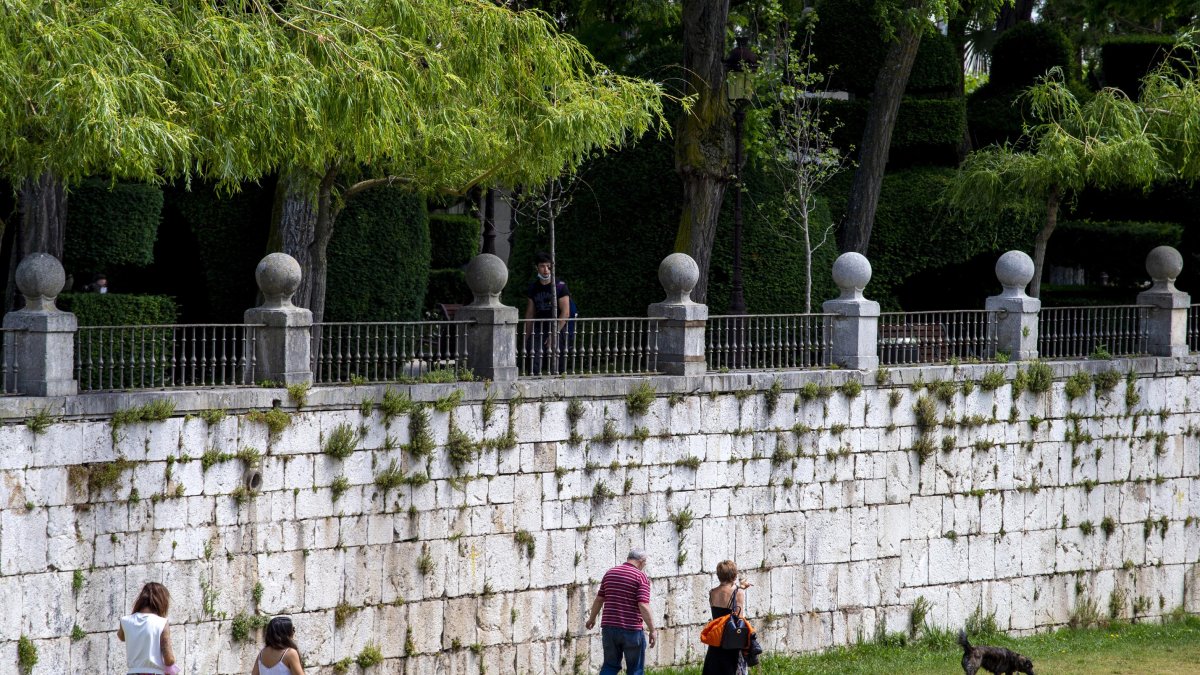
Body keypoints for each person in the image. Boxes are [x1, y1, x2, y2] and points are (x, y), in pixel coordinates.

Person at [585, 549, 656, 675]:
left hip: (609, 628)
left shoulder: (610, 573)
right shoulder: (640, 577)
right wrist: (652, 630)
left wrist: (591, 619)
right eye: (645, 563)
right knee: (635, 670)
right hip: (631, 630)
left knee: (610, 666)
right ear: (641, 561)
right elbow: (643, 605)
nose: (645, 565)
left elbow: (599, 599)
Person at [523, 252, 572, 374]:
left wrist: (554, 333)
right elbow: (530, 314)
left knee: (557, 358)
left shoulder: (560, 286)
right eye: (542, 266)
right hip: (539, 326)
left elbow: (565, 313)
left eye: (549, 266)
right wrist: (526, 337)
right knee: (534, 356)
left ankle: (559, 385)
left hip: (557, 327)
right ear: (537, 267)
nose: (546, 270)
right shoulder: (533, 288)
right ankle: (532, 384)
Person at [702, 560, 753, 675]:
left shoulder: (712, 592)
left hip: (717, 638)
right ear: (734, 575)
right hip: (731, 640)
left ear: (719, 575)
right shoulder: (738, 593)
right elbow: (739, 618)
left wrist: (739, 587)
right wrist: (740, 589)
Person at [118, 582, 177, 675]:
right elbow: (169, 659)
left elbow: (121, 637)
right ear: (161, 602)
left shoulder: (125, 621)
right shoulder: (162, 622)